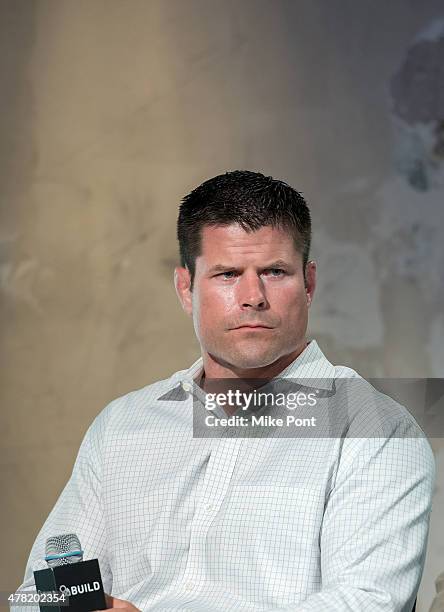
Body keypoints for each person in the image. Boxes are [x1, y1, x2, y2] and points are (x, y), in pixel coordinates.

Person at [13, 170, 435, 611]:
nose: (253, 296)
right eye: (228, 274)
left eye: (274, 271)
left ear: (308, 284)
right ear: (185, 288)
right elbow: (37, 595)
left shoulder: (376, 432)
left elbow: (365, 605)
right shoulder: (122, 425)